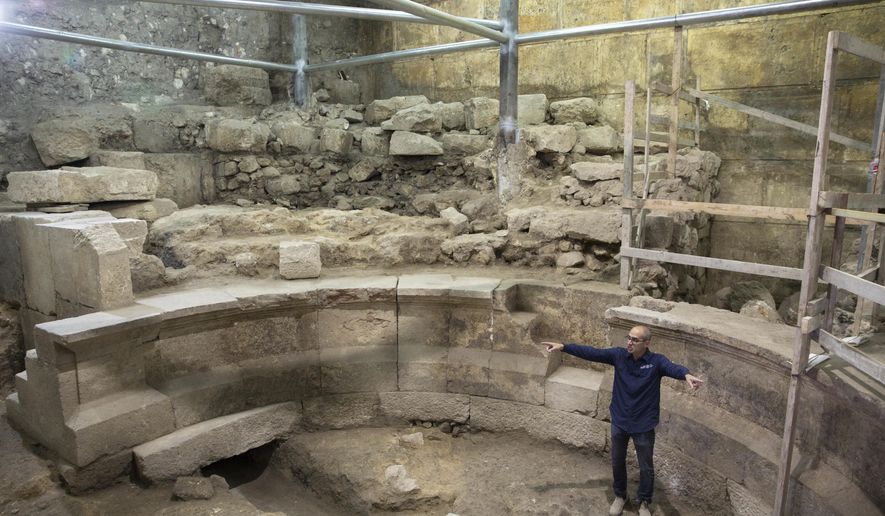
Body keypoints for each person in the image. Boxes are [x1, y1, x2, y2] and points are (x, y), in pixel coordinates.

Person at [542, 325, 704, 516]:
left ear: (646, 343)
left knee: (646, 466)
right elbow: (593, 353)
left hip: (643, 424)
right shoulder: (619, 356)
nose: (629, 342)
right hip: (620, 420)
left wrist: (686, 374)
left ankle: (644, 502)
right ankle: (620, 496)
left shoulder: (656, 362)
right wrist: (564, 346)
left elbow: (672, 367)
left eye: (635, 340)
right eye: (629, 338)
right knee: (617, 460)